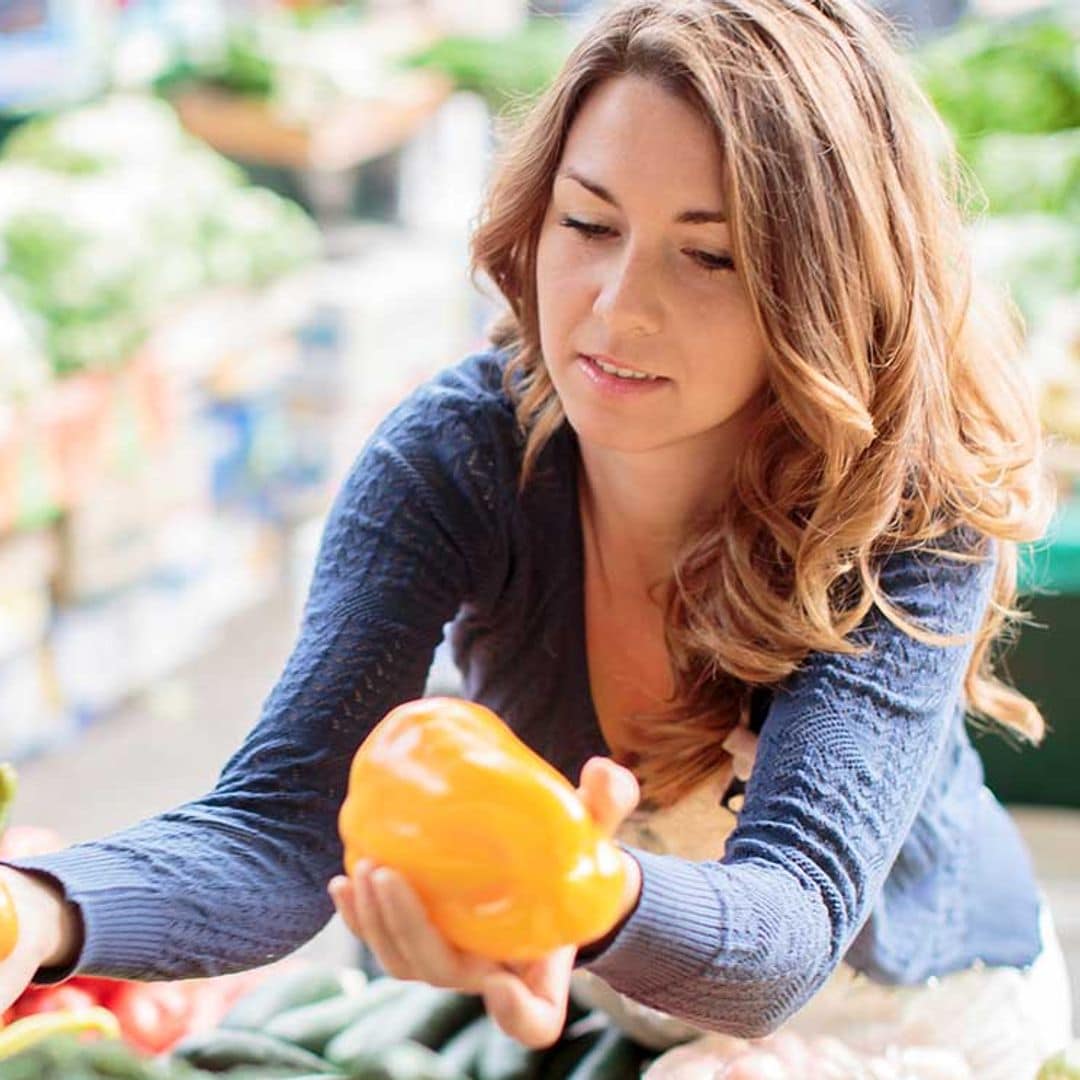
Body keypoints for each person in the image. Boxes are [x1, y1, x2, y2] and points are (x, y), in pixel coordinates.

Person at [0, 0, 1074, 1075]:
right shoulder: (462, 457)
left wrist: (562, 888)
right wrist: (35, 913)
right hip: (638, 1009)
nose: (616, 310)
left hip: (910, 1022)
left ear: (825, 288)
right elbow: (279, 834)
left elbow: (785, 939)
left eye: (709, 258)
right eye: (590, 225)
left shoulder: (902, 512)